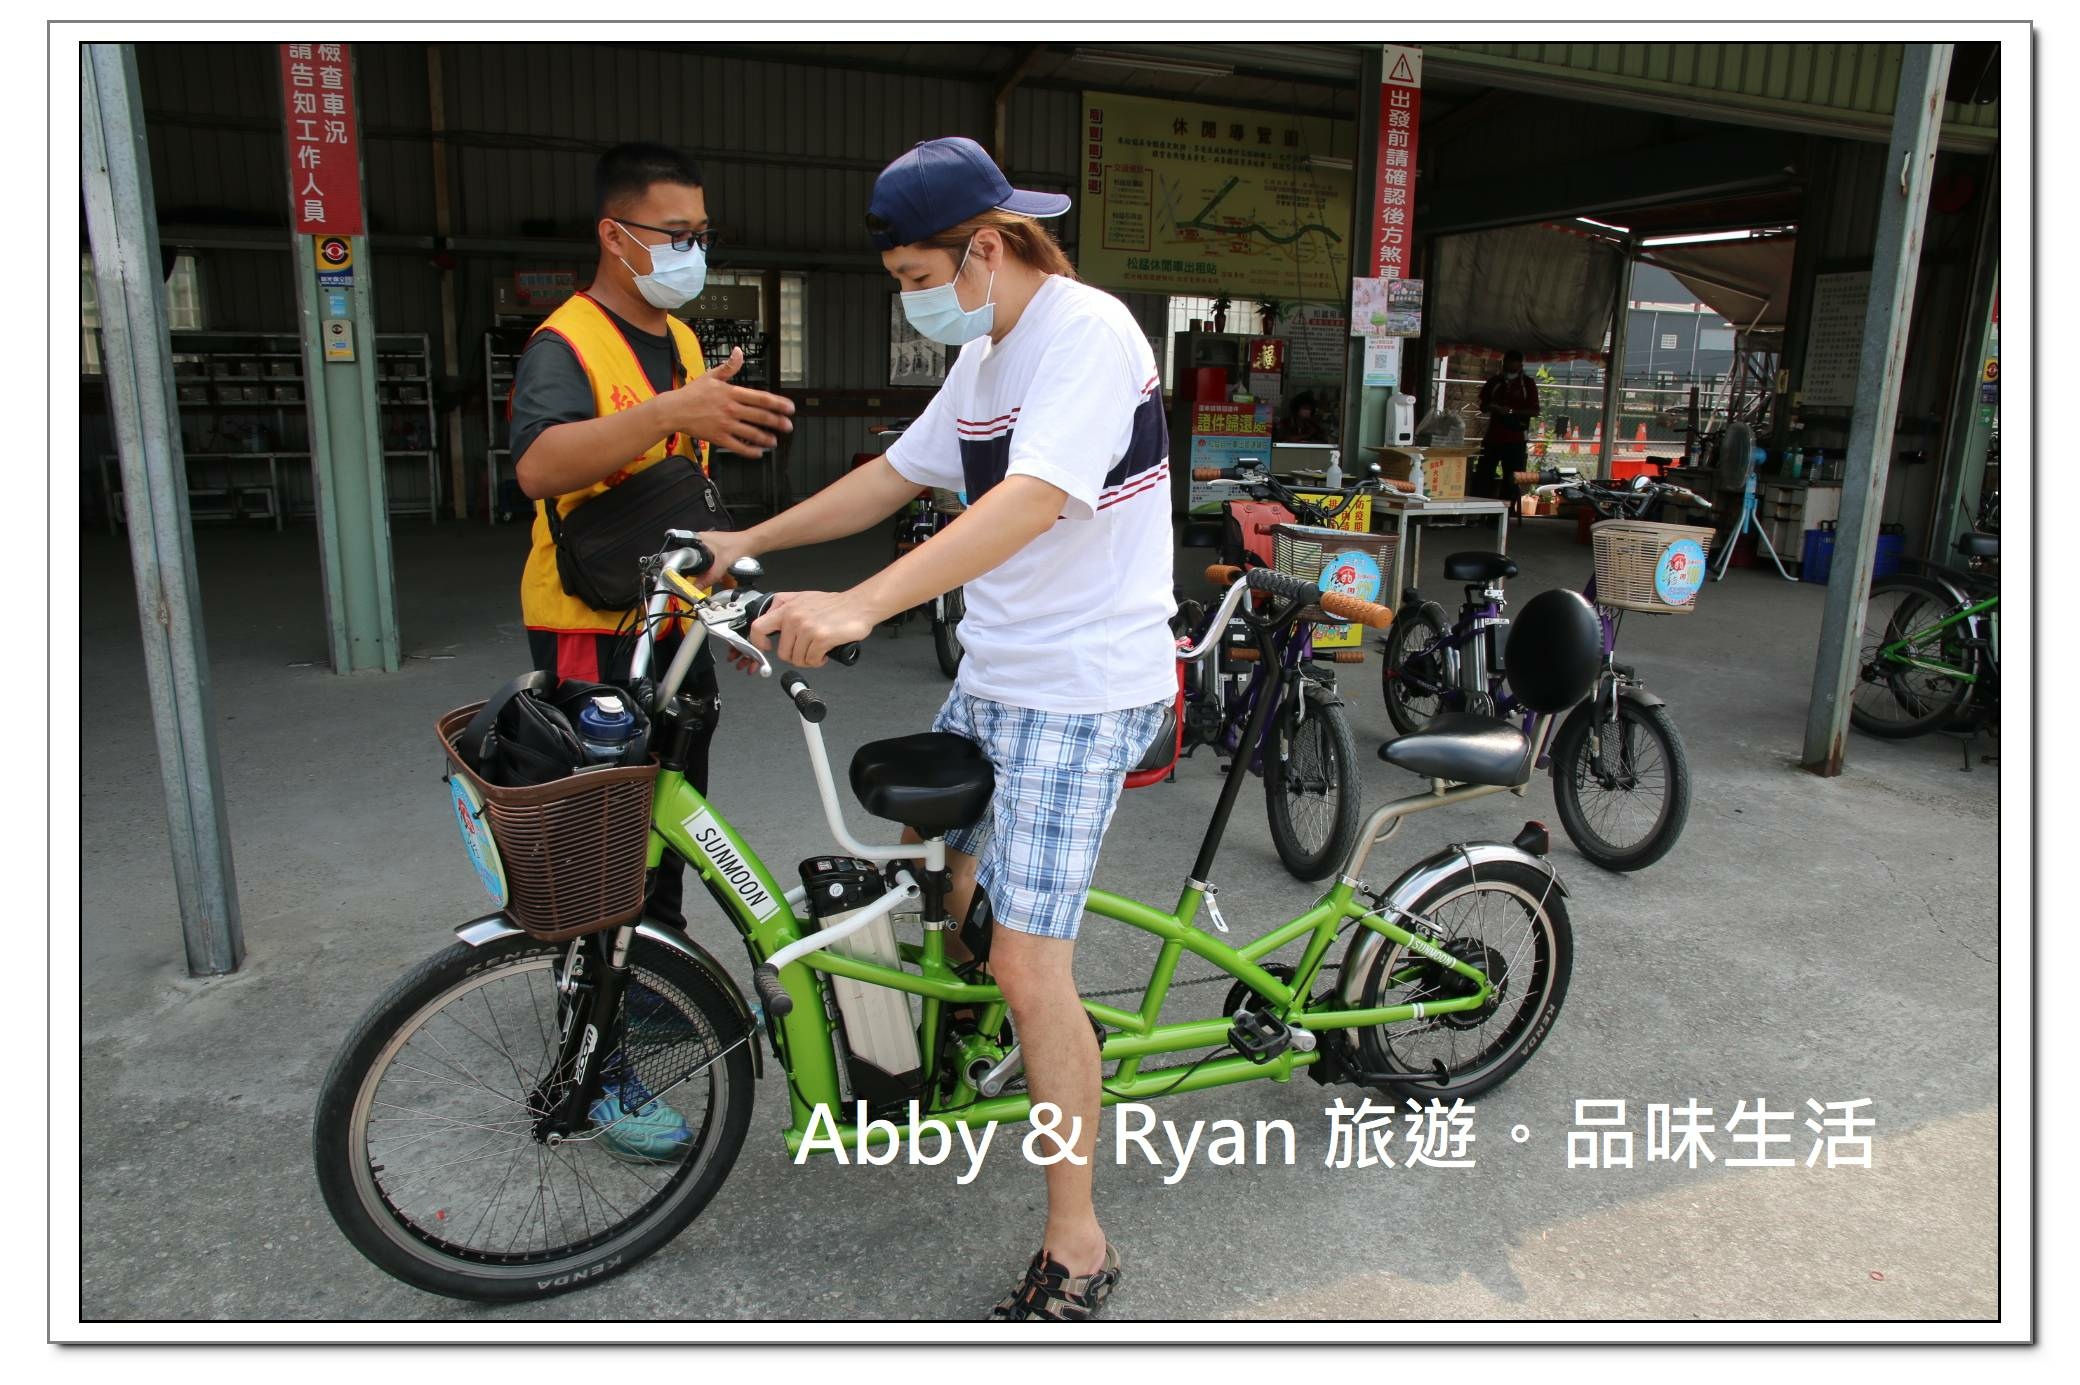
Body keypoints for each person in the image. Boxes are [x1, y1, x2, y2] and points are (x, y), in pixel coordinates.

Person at [700, 136, 1174, 1321]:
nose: (912, 299)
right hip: (1000, 672)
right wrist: (745, 542)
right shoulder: (986, 358)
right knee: (954, 904)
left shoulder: (1088, 332)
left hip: (1082, 685)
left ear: (987, 248)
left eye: (918, 278)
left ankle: (1078, 1241)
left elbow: (1031, 499)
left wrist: (862, 602)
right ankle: (982, 1052)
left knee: (1024, 960)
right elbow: (889, 479)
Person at [509, 143, 795, 1160]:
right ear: (615, 235)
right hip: (593, 631)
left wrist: (720, 609)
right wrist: (676, 409)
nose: (691, 250)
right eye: (675, 233)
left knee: (668, 829)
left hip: (669, 624)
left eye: (700, 233)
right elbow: (539, 464)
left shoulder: (672, 335)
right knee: (600, 851)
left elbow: (675, 489)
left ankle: (647, 994)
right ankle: (592, 1072)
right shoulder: (566, 343)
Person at [1475, 349, 1540, 512]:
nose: (1510, 365)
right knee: (1484, 474)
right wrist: (1494, 407)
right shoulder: (1495, 382)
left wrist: (1512, 411)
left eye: (1513, 362)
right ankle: (1480, 510)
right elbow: (1483, 406)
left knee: (1512, 477)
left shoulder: (1527, 384)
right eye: (1507, 362)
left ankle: (1506, 512)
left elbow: (1534, 411)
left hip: (1516, 436)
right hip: (1494, 436)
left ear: (1520, 364)